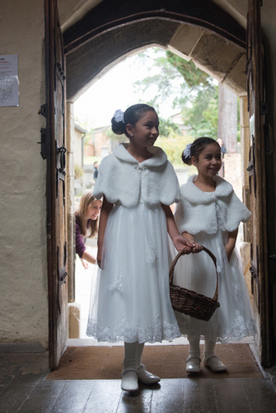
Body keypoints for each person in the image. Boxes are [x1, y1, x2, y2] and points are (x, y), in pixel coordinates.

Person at [86, 104, 198, 392]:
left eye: (156, 125)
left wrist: (174, 237)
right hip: (123, 234)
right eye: (148, 125)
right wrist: (102, 244)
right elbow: (107, 206)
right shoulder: (112, 163)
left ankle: (136, 365)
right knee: (129, 297)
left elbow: (165, 207)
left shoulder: (162, 163)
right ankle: (128, 366)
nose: (154, 131)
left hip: (151, 236)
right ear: (130, 130)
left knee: (147, 296)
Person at [172, 137, 256, 374]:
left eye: (218, 156)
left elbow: (233, 225)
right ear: (194, 161)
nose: (214, 162)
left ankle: (211, 354)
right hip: (196, 255)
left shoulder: (225, 190)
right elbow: (183, 225)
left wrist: (227, 250)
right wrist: (192, 243)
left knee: (217, 303)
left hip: (220, 253)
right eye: (208, 157)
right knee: (196, 302)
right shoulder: (186, 193)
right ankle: (192, 354)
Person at [75, 191, 101, 267]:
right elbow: (81, 250)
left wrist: (82, 259)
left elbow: (79, 242)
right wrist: (101, 264)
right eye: (94, 207)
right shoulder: (75, 224)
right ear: (85, 206)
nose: (98, 211)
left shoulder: (88, 219)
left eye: (100, 207)